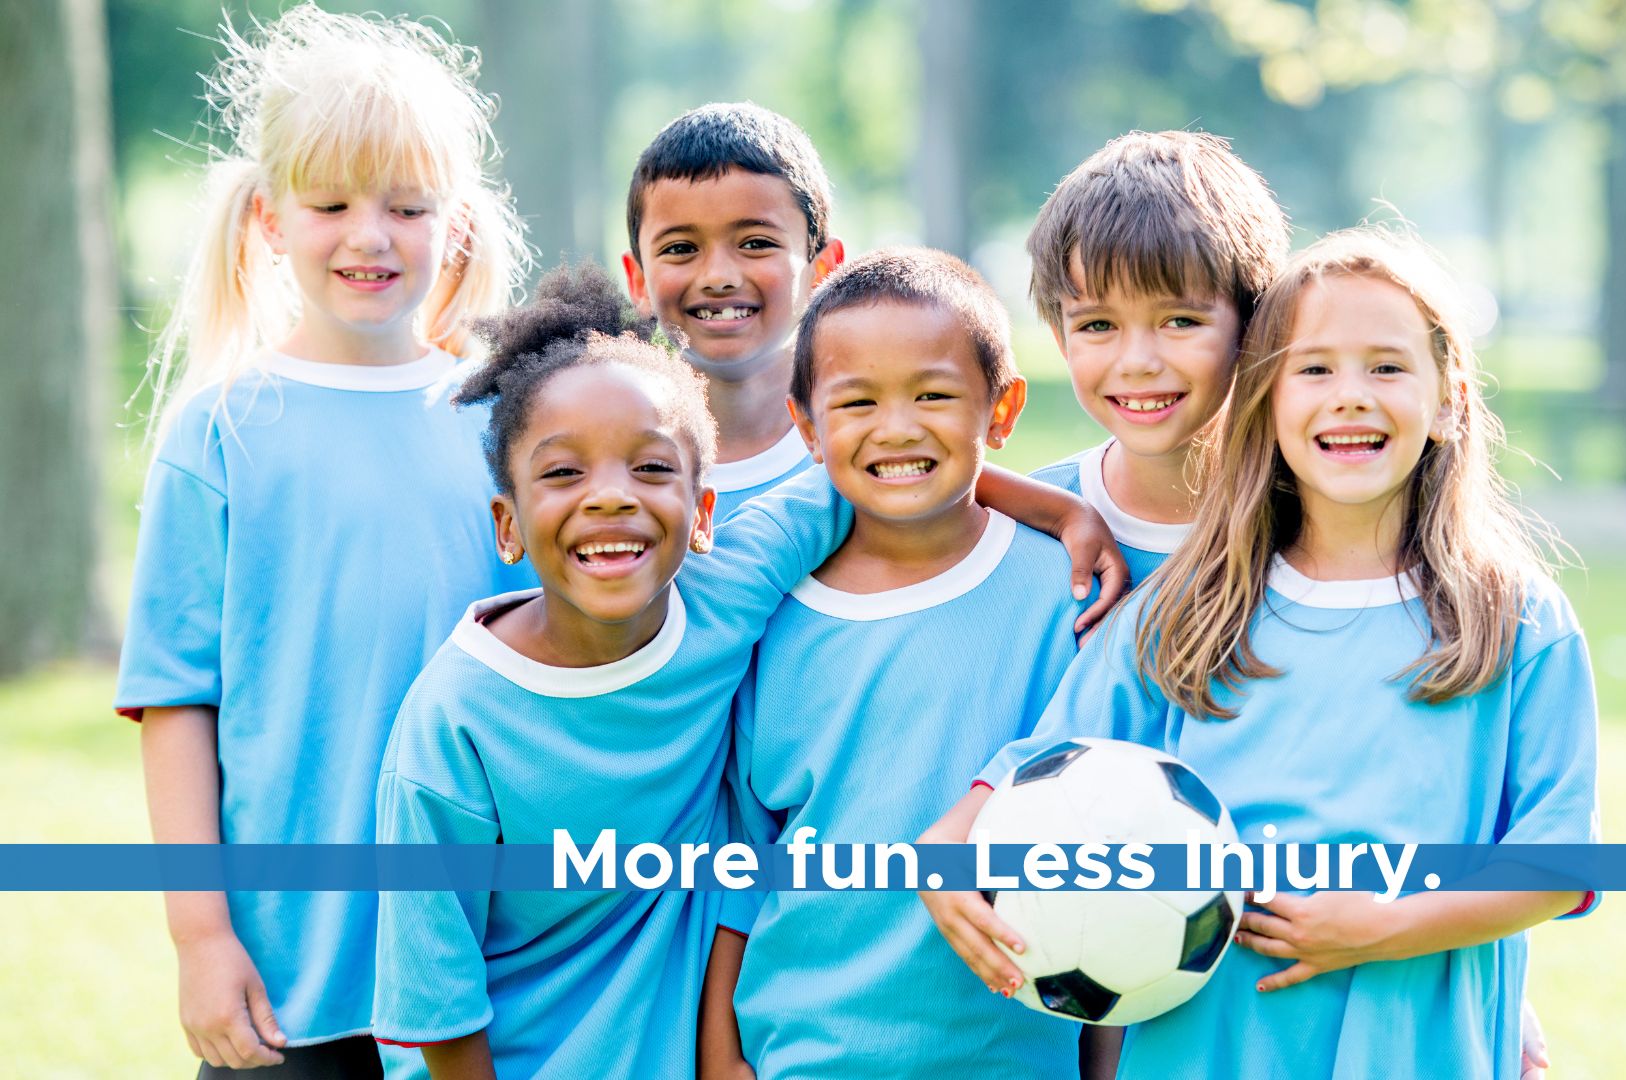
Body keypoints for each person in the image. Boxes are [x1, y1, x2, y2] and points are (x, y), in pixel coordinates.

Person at [372, 264, 1126, 1080]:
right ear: (507, 526)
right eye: (563, 473)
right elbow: (433, 998)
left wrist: (1061, 509)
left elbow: (886, 461)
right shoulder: (453, 722)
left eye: (653, 469)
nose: (612, 498)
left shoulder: (731, 592)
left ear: (704, 515)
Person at [921, 227, 1600, 1079]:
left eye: (1386, 367)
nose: (1349, 396)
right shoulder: (1188, 610)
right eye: (1313, 369)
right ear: (1265, 399)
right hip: (1210, 1050)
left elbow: (1559, 863)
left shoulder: (1515, 620)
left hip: (1416, 1049)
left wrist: (1382, 927)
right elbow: (1043, 764)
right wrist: (950, 847)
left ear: (1451, 399)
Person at [112, 5, 530, 1074]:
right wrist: (200, 940)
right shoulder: (220, 433)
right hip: (290, 981)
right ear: (269, 217)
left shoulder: (509, 426)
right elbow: (176, 707)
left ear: (459, 224)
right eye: (332, 202)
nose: (369, 235)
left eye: (407, 205)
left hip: (485, 964)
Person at [699, 249, 1089, 1079]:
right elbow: (741, 857)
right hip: (803, 1056)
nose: (898, 427)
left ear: (1003, 407)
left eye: (935, 395)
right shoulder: (767, 622)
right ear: (806, 425)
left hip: (1012, 1058)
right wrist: (721, 1055)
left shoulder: (1067, 592)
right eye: (858, 402)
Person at [1024, 131, 1288, 579]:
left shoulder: (1313, 514)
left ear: (1253, 324)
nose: (1137, 362)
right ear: (1061, 340)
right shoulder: (1028, 526)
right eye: (1098, 325)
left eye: (1180, 321)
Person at [620, 103, 846, 519]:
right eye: (680, 249)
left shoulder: (861, 444)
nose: (718, 277)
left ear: (824, 268)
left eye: (756, 243)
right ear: (639, 282)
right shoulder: (608, 462)